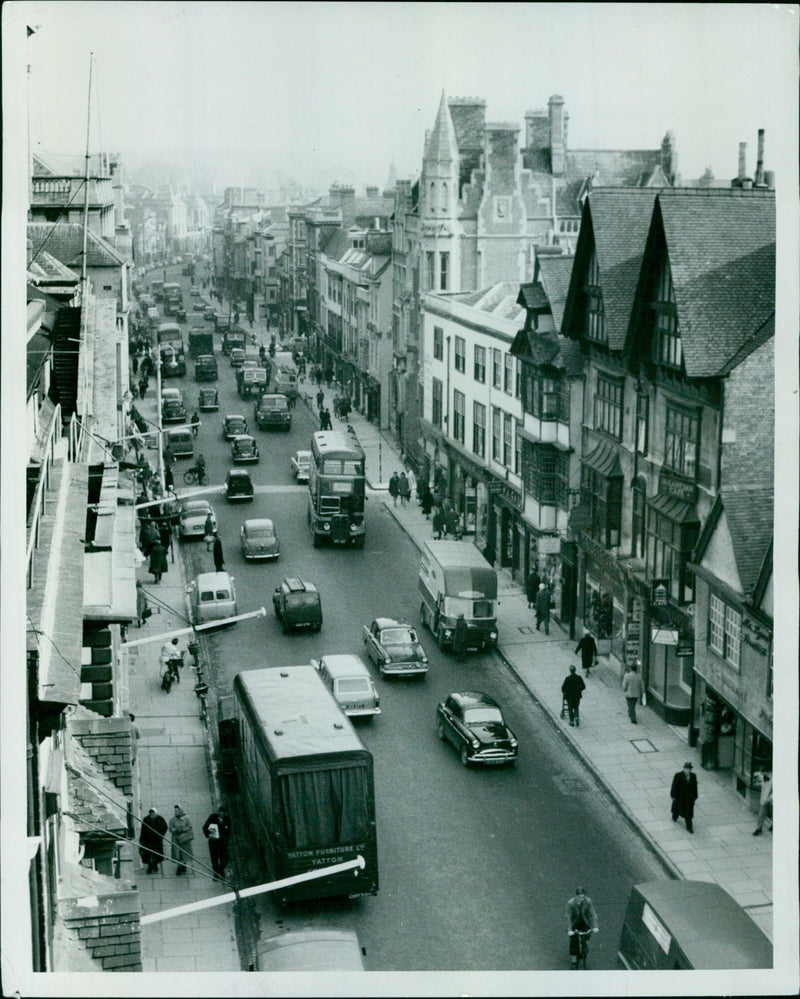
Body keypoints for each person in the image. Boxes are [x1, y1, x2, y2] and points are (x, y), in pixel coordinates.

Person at [566, 887, 599, 969]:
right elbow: (568, 916)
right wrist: (569, 930)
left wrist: (595, 926)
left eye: (583, 896)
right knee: (574, 942)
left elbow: (593, 914)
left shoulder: (588, 901)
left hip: (584, 922)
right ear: (576, 896)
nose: (582, 898)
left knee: (586, 938)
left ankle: (584, 950)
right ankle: (574, 961)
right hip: (574, 923)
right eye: (580, 897)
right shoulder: (571, 903)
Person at [202, 807, 233, 879]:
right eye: (220, 812)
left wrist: (226, 838)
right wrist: (209, 834)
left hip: (223, 843)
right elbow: (205, 827)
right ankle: (216, 873)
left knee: (224, 857)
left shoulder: (227, 819)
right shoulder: (212, 817)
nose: (221, 814)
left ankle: (221, 871)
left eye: (223, 812)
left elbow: (229, 831)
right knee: (214, 858)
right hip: (214, 842)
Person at [670, 762, 698, 833]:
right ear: (684, 768)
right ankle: (675, 816)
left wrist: (695, 796)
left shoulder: (693, 776)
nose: (688, 770)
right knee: (677, 808)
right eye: (686, 769)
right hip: (680, 797)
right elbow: (674, 786)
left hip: (689, 799)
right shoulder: (678, 775)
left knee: (688, 813)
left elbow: (695, 787)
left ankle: (689, 827)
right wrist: (673, 795)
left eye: (689, 769)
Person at [139, 808, 168, 874]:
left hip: (157, 840)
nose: (151, 814)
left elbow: (165, 827)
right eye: (150, 813)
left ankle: (155, 865)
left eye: (153, 813)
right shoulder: (146, 819)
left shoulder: (160, 819)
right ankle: (149, 866)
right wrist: (142, 839)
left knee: (156, 853)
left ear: (155, 813)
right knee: (148, 853)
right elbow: (143, 830)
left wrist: (161, 835)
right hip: (148, 840)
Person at [168, 805, 194, 876]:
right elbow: (170, 828)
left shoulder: (186, 819)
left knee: (184, 853)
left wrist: (183, 829)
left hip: (185, 839)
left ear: (181, 811)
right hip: (176, 839)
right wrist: (175, 830)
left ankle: (184, 864)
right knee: (177, 853)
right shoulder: (172, 820)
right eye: (175, 811)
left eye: (177, 811)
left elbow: (189, 827)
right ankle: (179, 867)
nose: (175, 812)